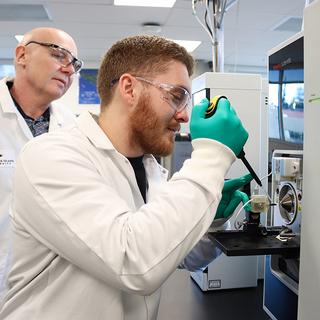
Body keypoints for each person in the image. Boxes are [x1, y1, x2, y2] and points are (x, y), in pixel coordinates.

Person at [0, 35, 252, 319]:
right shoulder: (50, 156)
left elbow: (173, 255)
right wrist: (212, 155)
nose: (184, 116)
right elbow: (135, 262)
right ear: (129, 88)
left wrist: (210, 222)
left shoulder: (150, 169)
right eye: (176, 95)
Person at [0, 27, 83, 302]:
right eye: (59, 55)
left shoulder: (74, 129)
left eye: (75, 64)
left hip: (51, 289)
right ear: (22, 55)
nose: (69, 69)